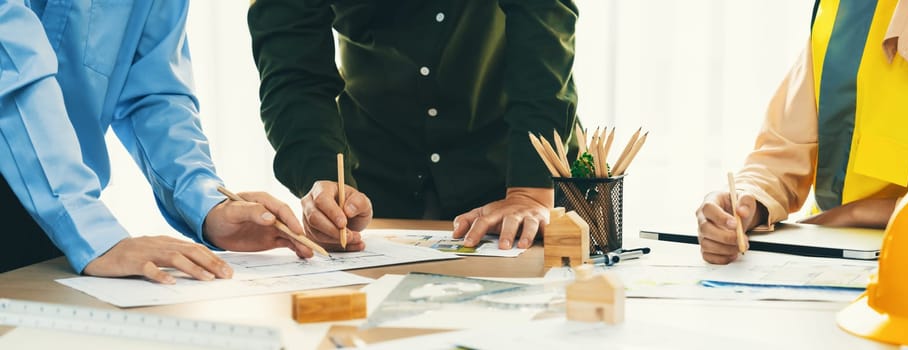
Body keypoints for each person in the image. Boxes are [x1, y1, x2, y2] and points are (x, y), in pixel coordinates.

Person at [0, 0, 313, 283]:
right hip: (68, 216)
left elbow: (154, 90)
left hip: (57, 229)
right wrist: (91, 231)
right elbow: (10, 63)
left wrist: (207, 205)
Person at [248, 0, 580, 252]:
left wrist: (529, 190)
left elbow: (544, 43)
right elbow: (295, 75)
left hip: (515, 171)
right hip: (376, 184)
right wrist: (321, 177)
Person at [696, 0, 908, 264]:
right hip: (835, 269)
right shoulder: (850, 12)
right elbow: (781, 156)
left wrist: (858, 214)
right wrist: (745, 203)